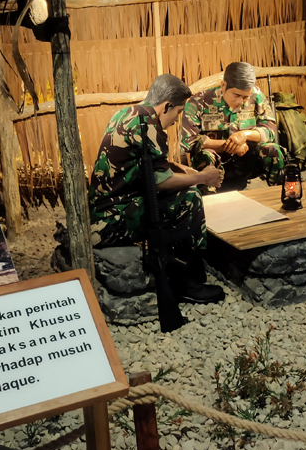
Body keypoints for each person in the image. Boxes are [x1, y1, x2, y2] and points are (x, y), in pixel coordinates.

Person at [88, 74, 225, 304]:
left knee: (183, 189)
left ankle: (183, 266)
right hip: (110, 223)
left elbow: (147, 164)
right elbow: (160, 183)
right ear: (167, 106)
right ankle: (185, 281)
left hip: (103, 212)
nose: (175, 121)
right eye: (177, 113)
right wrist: (202, 177)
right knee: (190, 197)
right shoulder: (150, 126)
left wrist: (181, 170)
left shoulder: (129, 114)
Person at [180, 62, 285, 190]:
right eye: (236, 95)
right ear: (223, 86)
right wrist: (230, 146)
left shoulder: (256, 96)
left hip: (247, 160)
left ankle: (277, 194)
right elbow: (188, 142)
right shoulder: (199, 102)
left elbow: (270, 130)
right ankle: (208, 198)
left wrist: (245, 135)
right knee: (206, 156)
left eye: (245, 97)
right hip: (215, 161)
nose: (240, 101)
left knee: (274, 151)